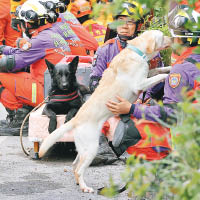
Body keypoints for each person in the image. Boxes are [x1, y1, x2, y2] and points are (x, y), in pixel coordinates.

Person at [105, 3, 200, 161]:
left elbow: (171, 116)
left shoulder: (179, 71)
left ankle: (164, 168)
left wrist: (132, 108)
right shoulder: (106, 50)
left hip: (191, 142)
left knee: (137, 128)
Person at [89, 0, 165, 165]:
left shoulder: (151, 51)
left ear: (137, 26)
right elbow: (94, 82)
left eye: (130, 21)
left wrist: (141, 99)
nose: (124, 25)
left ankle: (142, 149)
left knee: (154, 107)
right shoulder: (105, 50)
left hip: (139, 100)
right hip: (112, 101)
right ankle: (99, 148)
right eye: (120, 21)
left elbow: (157, 84)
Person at [0, 0, 88, 136]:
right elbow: (23, 52)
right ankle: (21, 113)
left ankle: (19, 118)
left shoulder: (39, 40)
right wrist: (4, 48)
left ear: (27, 23)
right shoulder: (50, 33)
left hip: (47, 94)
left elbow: (11, 64)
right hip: (57, 90)